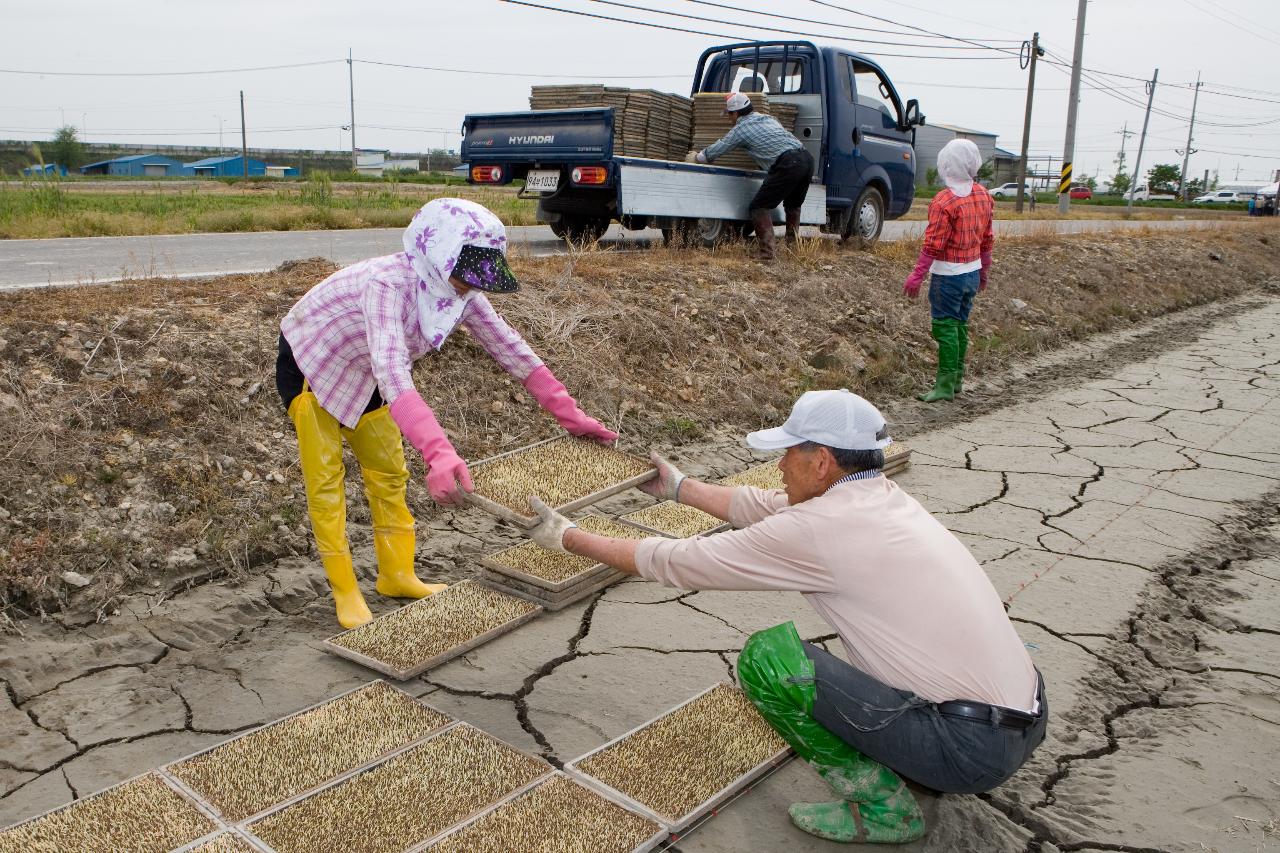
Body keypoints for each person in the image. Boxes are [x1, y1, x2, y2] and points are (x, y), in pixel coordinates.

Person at [527, 389, 1047, 845]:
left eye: (788, 453)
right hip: (1022, 717)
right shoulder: (879, 499)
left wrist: (569, 538)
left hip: (970, 749)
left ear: (821, 461)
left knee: (770, 661)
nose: (779, 465)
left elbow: (680, 562)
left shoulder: (822, 530)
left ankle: (883, 810)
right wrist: (680, 488)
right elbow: (766, 506)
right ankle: (919, 754)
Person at [277, 198, 617, 628]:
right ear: (439, 255)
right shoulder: (387, 284)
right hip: (315, 363)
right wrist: (439, 452)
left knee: (388, 472)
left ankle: (397, 576)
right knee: (327, 482)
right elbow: (392, 369)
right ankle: (346, 591)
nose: (467, 287)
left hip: (372, 375)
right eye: (464, 275)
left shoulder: (461, 292)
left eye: (477, 278)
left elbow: (507, 346)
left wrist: (570, 414)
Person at [902, 139, 995, 403]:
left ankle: (943, 385)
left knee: (945, 328)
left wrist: (917, 276)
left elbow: (933, 244)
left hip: (949, 276)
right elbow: (987, 239)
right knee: (961, 326)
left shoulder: (944, 201)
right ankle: (956, 381)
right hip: (972, 273)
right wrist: (984, 272)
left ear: (945, 165)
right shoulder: (983, 195)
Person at [693, 91, 815, 260]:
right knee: (792, 206)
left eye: (729, 115)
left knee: (758, 207)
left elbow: (721, 147)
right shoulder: (768, 119)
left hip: (788, 163)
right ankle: (792, 250)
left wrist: (698, 157)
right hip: (806, 159)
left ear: (736, 113)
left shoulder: (741, 129)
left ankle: (766, 253)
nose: (729, 119)